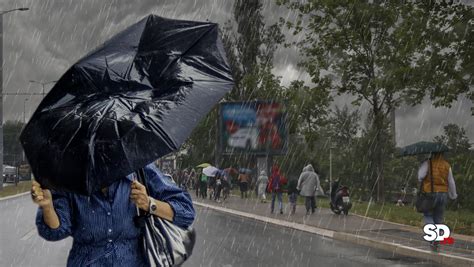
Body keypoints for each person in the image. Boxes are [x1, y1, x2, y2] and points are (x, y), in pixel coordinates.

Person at [31, 163, 195, 266]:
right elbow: (56, 231)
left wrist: (149, 203)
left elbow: (185, 211)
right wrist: (47, 207)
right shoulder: (68, 179)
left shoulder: (140, 169)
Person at [418, 152, 457, 251]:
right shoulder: (446, 165)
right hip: (443, 194)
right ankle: (437, 240)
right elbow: (451, 181)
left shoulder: (428, 163)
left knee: (428, 215)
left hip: (430, 194)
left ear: (432, 153)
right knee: (439, 218)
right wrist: (453, 195)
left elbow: (420, 176)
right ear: (442, 154)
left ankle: (433, 237)